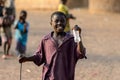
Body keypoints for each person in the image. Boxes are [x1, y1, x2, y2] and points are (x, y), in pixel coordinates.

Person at [19, 11, 86, 80]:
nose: (59, 23)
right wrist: (27, 59)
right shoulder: (46, 40)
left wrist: (78, 36)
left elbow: (81, 53)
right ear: (51, 23)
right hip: (49, 77)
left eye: (62, 21)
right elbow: (39, 57)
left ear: (66, 23)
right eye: (56, 21)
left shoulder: (71, 40)